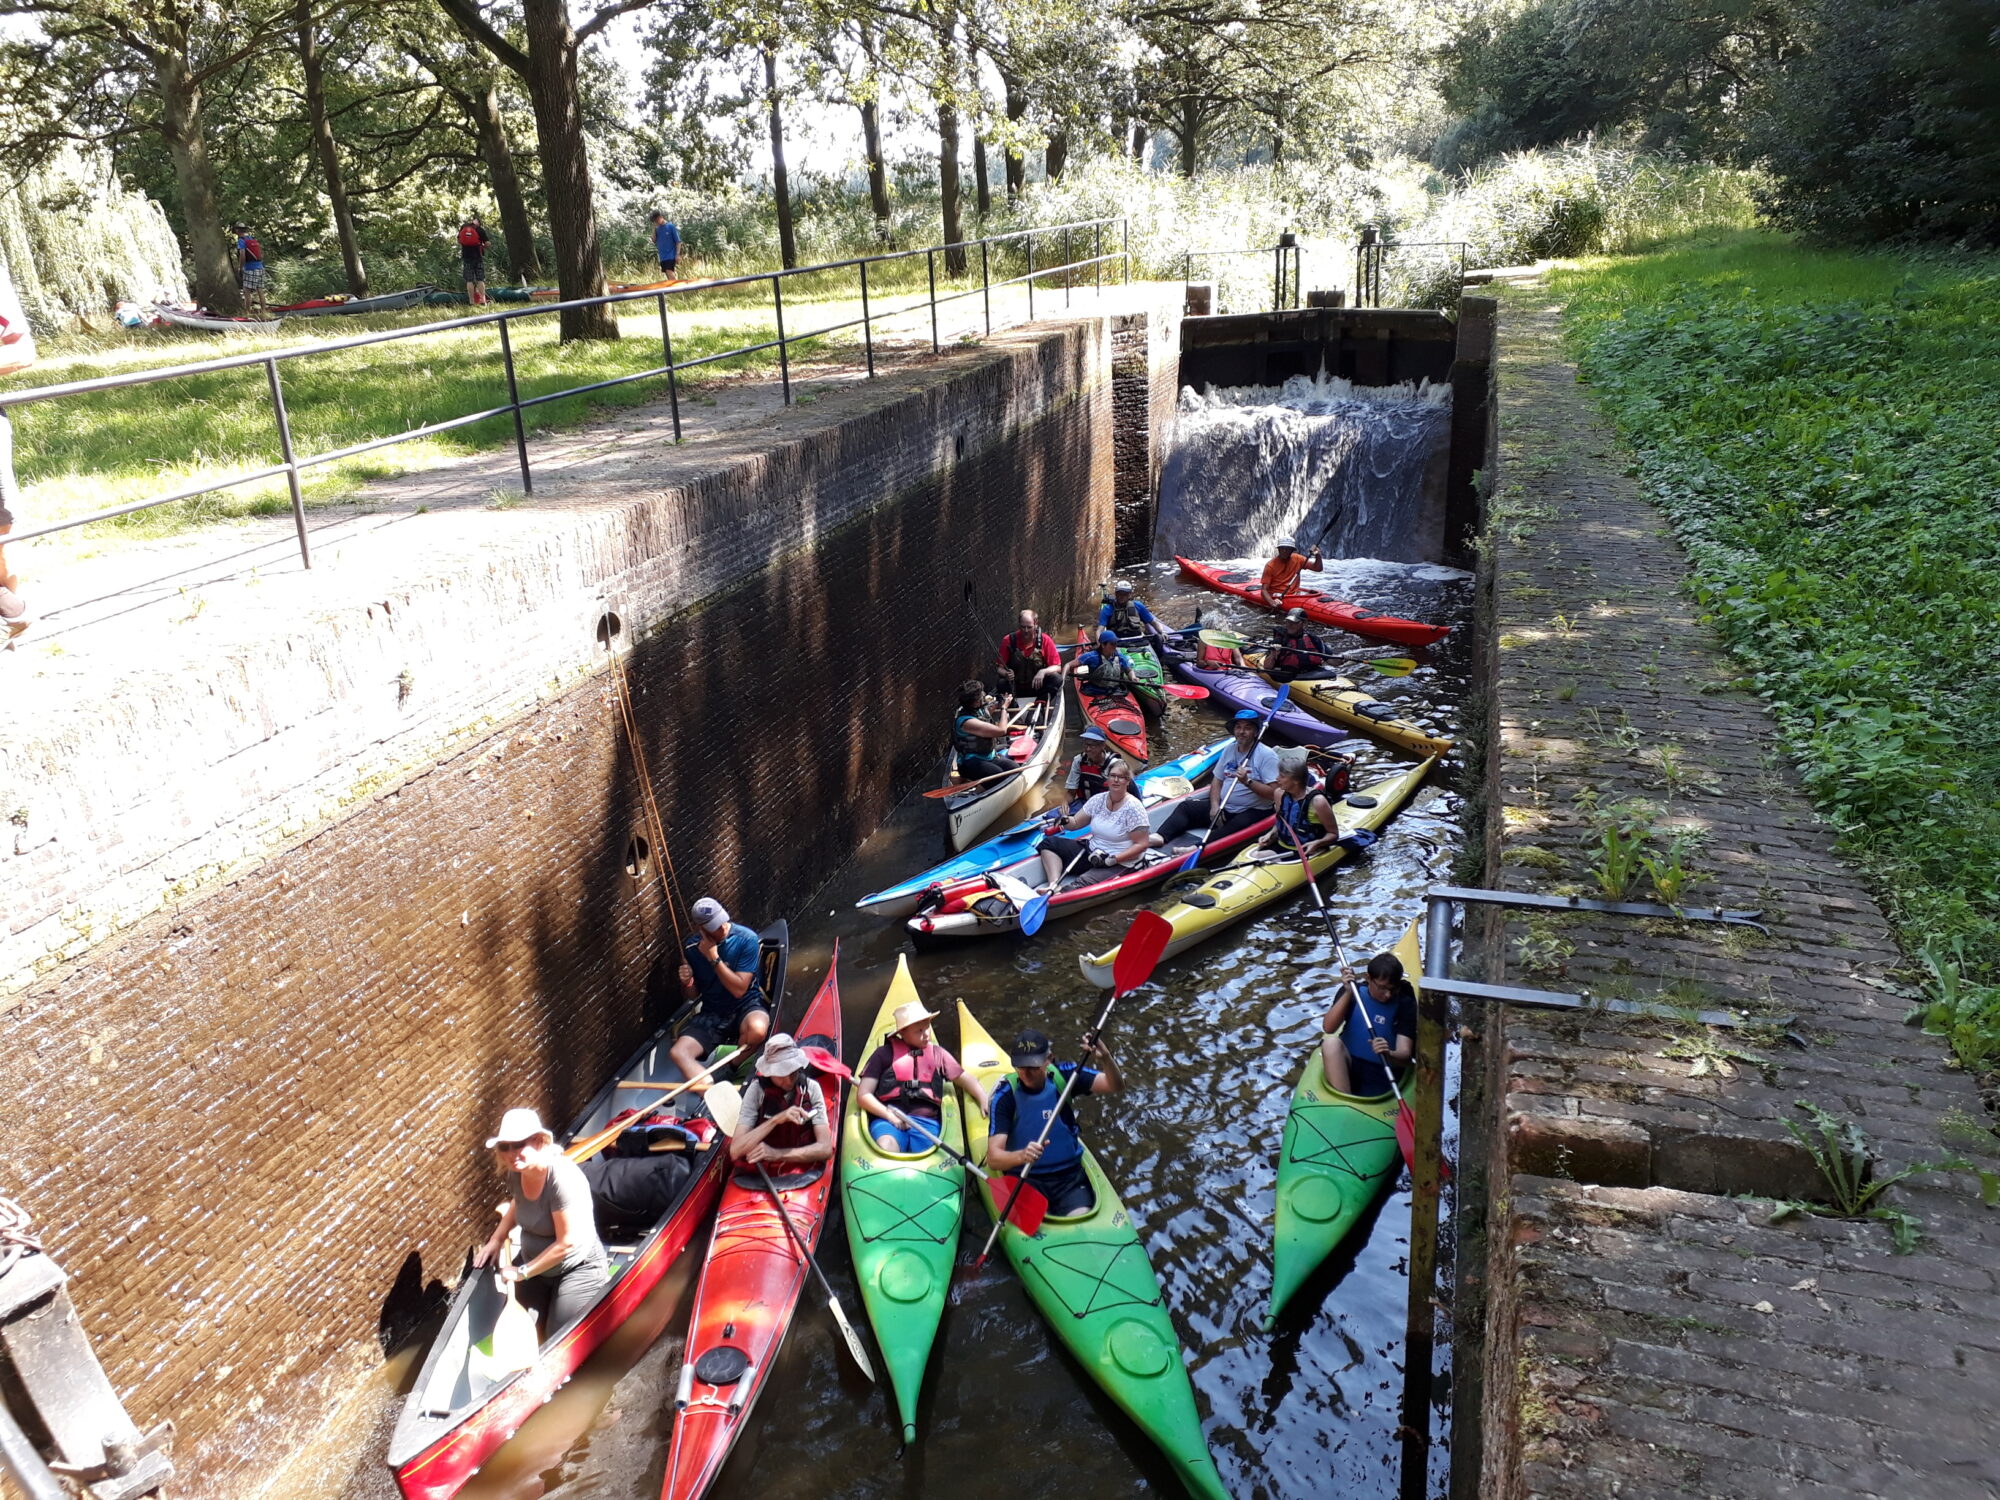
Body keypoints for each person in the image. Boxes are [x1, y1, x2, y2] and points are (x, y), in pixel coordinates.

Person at [474, 1107, 609, 1335]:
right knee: (521, 1333)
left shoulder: (561, 1179)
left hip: (577, 1268)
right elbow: (518, 1204)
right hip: (536, 1267)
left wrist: (522, 1272)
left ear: (538, 1141)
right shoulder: (517, 1170)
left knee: (557, 1336)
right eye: (505, 1147)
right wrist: (496, 1239)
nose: (511, 1153)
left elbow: (567, 1244)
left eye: (518, 1144)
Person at [986, 1027, 1122, 1216]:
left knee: (1080, 1216)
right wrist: (1022, 1156)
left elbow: (1114, 1085)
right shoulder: (1005, 1096)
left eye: (1033, 1066)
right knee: (1037, 1219)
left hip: (1069, 1179)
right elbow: (993, 1158)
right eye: (1021, 1065)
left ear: (1048, 1059)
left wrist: (1106, 1057)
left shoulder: (1066, 1076)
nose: (1026, 1073)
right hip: (1025, 1177)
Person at [857, 998, 991, 1153]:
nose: (926, 1034)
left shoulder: (938, 1054)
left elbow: (966, 1080)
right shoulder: (883, 1055)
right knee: (886, 1146)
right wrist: (889, 1116)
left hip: (926, 1124)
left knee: (925, 1153)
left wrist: (982, 1097)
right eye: (919, 1031)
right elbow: (863, 1095)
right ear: (902, 1033)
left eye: (927, 1027)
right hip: (888, 1119)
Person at [668, 898, 769, 1084]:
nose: (722, 927)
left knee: (757, 1030)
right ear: (701, 928)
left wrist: (713, 957)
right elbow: (692, 996)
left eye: (721, 920)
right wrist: (688, 982)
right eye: (714, 926)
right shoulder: (691, 949)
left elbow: (739, 990)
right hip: (712, 1012)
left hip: (746, 1004)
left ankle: (730, 1067)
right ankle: (711, 1090)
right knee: (678, 1052)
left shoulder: (747, 939)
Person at [1152, 707, 1279, 843]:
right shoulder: (1229, 749)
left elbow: (1274, 793)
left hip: (1252, 810)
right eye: (1238, 727)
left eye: (1247, 728)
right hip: (1225, 806)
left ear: (1255, 732)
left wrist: (1247, 781)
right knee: (1186, 807)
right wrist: (1214, 806)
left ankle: (1196, 848)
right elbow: (1217, 780)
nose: (1242, 732)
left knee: (1238, 825)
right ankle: (1160, 836)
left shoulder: (1267, 756)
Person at [1036, 757, 1153, 891]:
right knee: (1049, 844)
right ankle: (1053, 885)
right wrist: (1065, 820)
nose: (1115, 780)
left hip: (1119, 861)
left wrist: (1113, 859)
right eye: (1112, 776)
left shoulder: (1134, 808)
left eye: (1120, 777)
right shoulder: (1097, 800)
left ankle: (1059, 894)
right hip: (1093, 853)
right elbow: (1075, 824)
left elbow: (1142, 845)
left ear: (1127, 781)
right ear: (1107, 779)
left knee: (1078, 886)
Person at [731, 1032, 835, 1174]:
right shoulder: (756, 1090)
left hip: (800, 1170)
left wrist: (777, 1154)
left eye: (792, 1072)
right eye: (780, 1074)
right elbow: (735, 1151)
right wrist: (776, 1120)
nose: (788, 1080)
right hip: (760, 1172)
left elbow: (825, 1149)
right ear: (769, 1072)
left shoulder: (811, 1088)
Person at [1319, 949, 1418, 1097]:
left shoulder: (1404, 1004)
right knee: (1330, 1044)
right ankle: (1345, 1101)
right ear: (1369, 978)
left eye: (1393, 989)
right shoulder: (1353, 993)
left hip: (1383, 1074)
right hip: (1348, 1064)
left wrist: (1388, 1053)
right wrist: (1348, 993)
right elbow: (1328, 1027)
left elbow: (1405, 1056)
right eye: (1382, 988)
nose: (1388, 995)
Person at [1260, 759, 1341, 859]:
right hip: (1282, 846)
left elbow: (1333, 834)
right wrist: (1271, 833)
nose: (1277, 779)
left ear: (1296, 781)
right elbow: (1281, 820)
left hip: (1307, 851)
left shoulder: (1318, 802)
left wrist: (1318, 843)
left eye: (1282, 776)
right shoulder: (1279, 793)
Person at [951, 680, 1022, 783]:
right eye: (981, 696)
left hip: (989, 756)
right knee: (998, 775)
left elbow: (986, 713)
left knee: (1014, 768)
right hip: (970, 762)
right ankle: (976, 790)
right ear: (975, 702)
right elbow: (1001, 731)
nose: (983, 697)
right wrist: (1004, 708)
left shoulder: (977, 709)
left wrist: (999, 703)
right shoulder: (967, 722)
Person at [998, 610, 1063, 698]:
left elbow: (1057, 667)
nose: (1026, 631)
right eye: (1023, 627)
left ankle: (1041, 701)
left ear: (1036, 625)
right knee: (1001, 683)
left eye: (1029, 627)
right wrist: (1006, 674)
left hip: (1038, 686)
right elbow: (999, 668)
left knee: (1057, 678)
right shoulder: (1008, 640)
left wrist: (1043, 672)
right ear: (1019, 625)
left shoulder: (1045, 640)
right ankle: (1011, 704)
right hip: (1016, 687)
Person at [1266, 607, 1336, 682]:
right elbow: (1267, 667)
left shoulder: (1313, 638)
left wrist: (1344, 659)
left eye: (1295, 623)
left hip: (1312, 673)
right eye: (1288, 621)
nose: (1290, 625)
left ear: (1304, 623)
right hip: (1288, 674)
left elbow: (1331, 660)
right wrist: (1273, 653)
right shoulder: (1280, 639)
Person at [1066, 628, 1138, 698]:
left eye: (1116, 643)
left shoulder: (1119, 656)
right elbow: (1068, 665)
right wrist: (1064, 678)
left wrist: (1133, 677)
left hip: (1115, 690)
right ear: (1103, 645)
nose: (1115, 646)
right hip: (1094, 690)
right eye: (1112, 644)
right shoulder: (1091, 656)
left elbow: (1129, 670)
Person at [1260, 538, 1323, 609]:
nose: (1284, 551)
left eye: (1288, 549)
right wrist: (1272, 602)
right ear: (1278, 549)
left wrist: (1318, 555)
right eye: (1282, 548)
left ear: (1292, 550)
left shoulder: (1298, 559)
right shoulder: (1270, 565)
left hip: (1294, 594)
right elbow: (1264, 590)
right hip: (1277, 595)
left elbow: (1318, 568)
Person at [1097, 579, 1161, 647]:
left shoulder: (1138, 606)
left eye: (1125, 594)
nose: (1122, 596)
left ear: (1129, 595)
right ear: (1116, 594)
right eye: (1120, 593)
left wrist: (1161, 632)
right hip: (1116, 642)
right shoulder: (1107, 609)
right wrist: (1100, 645)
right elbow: (1099, 630)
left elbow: (1153, 622)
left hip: (1137, 640)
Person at [1064, 725, 1113, 810]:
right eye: (1085, 744)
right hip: (1085, 804)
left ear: (1103, 745)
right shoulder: (1079, 761)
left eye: (1092, 745)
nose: (1088, 749)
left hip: (1107, 806)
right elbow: (1071, 792)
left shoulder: (1113, 764)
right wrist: (1065, 804)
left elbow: (1121, 794)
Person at [230, 224, 268, 317]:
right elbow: (260, 253)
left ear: (237, 231)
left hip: (250, 268)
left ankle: (247, 313)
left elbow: (242, 255)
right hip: (260, 267)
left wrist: (241, 268)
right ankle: (264, 312)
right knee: (260, 290)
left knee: (246, 291)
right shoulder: (251, 238)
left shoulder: (241, 241)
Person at [458, 217, 491, 306]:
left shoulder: (463, 228)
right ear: (479, 223)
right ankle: (483, 301)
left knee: (469, 280)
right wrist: (482, 246)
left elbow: (459, 240)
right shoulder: (480, 230)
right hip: (478, 257)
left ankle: (471, 301)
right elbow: (488, 243)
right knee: (480, 279)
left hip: (467, 257)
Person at [650, 211, 681, 276]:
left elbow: (678, 242)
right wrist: (654, 228)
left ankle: (676, 286)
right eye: (654, 221)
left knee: (669, 272)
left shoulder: (670, 226)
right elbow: (653, 240)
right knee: (668, 274)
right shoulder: (657, 229)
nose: (656, 222)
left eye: (656, 220)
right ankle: (674, 285)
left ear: (660, 217)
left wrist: (677, 254)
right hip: (663, 257)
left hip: (671, 255)